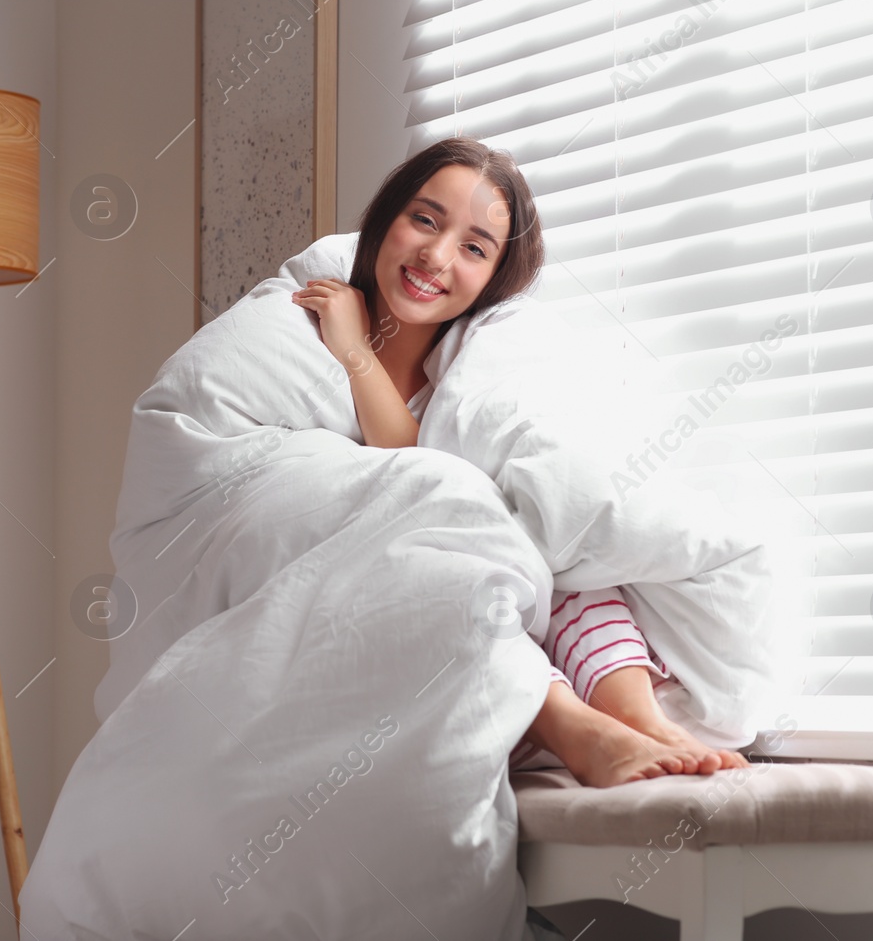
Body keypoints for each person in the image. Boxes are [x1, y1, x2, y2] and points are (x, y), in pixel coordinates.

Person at [291, 136, 749, 786]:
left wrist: (358, 354)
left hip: (537, 629)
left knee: (562, 550)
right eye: (424, 218)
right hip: (459, 664)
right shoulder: (320, 353)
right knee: (460, 577)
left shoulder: (473, 368)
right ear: (387, 217)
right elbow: (419, 480)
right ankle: (579, 731)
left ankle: (638, 717)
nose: (437, 255)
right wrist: (355, 351)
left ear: (495, 275)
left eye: (473, 247)